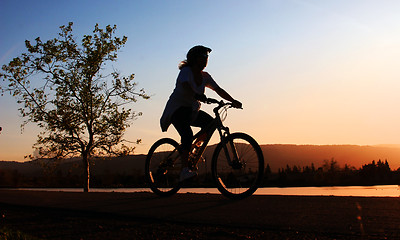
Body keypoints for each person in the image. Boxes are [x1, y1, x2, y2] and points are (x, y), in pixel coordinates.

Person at [160, 45, 242, 181]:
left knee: (211, 124)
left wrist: (233, 101)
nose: (205, 60)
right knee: (187, 134)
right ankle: (184, 170)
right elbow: (185, 85)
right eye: (202, 57)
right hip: (177, 110)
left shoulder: (205, 77)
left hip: (191, 110)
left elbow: (218, 89)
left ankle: (194, 150)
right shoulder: (186, 71)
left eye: (207, 58)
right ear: (193, 59)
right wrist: (198, 95)